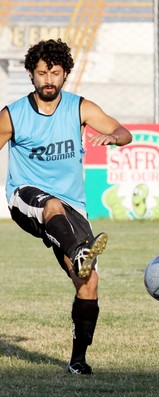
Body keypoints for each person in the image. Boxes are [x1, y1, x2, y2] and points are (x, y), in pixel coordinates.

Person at [0, 39, 132, 374]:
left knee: (88, 283)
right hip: (26, 197)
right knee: (52, 206)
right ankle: (78, 252)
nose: (48, 79)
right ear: (31, 74)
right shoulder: (12, 114)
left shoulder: (80, 108)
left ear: (65, 74)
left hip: (73, 207)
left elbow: (123, 131)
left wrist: (113, 138)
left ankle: (78, 361)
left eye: (55, 73)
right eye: (42, 72)